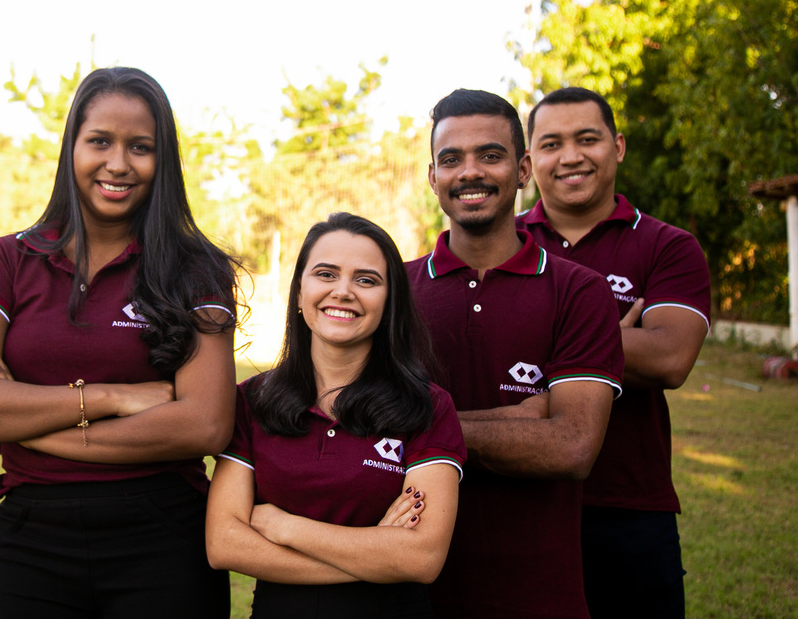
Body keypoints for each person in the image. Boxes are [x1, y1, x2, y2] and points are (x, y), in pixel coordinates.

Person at [0, 66, 239, 618]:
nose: (118, 164)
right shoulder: (11, 258)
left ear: (163, 160)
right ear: (71, 147)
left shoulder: (197, 268)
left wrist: (22, 422)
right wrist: (111, 398)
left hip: (163, 537)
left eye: (140, 147)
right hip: (31, 536)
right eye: (99, 141)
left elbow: (205, 425)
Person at [406, 88, 624, 619]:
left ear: (523, 169)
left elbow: (572, 447)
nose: (470, 172)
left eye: (490, 155)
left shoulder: (579, 290)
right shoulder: (396, 292)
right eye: (451, 159)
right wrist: (521, 419)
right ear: (433, 177)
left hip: (537, 592)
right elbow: (355, 425)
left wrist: (416, 423)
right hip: (409, 590)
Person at [206, 212, 465, 618]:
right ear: (299, 292)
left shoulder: (428, 406)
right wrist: (378, 555)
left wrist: (284, 527)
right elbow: (224, 544)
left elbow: (421, 558)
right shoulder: (252, 400)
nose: (343, 291)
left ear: (390, 302)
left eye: (366, 280)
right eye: (326, 274)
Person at [522, 86, 710, 618]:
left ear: (618, 146)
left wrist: (529, 332)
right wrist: (611, 335)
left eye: (588, 139)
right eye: (552, 144)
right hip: (517, 496)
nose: (571, 157)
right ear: (529, 161)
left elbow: (670, 358)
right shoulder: (500, 242)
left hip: (631, 506)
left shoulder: (667, 245)